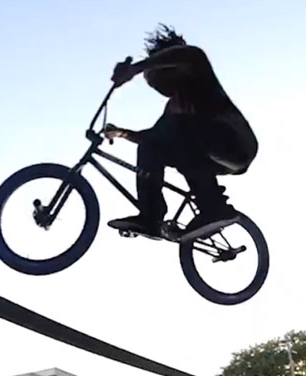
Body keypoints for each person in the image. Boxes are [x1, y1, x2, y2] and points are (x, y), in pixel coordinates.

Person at [105, 24, 259, 242]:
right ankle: (151, 217)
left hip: (237, 145)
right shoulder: (174, 107)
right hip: (209, 154)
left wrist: (135, 69)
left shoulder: (199, 74)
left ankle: (214, 207)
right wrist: (121, 133)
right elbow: (152, 138)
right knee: (150, 147)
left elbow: (190, 55)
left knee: (183, 130)